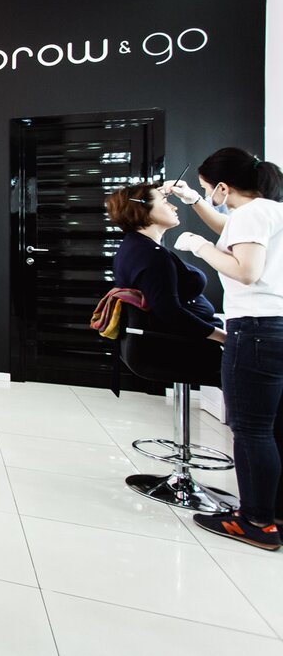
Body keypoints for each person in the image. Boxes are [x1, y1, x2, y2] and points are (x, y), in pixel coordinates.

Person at [165, 148, 283, 551]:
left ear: (223, 187)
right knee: (271, 426)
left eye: (205, 189)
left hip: (255, 328)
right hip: (276, 326)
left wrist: (200, 247)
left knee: (251, 429)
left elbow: (246, 271)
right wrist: (195, 202)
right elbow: (229, 229)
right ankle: (271, 512)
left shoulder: (251, 214)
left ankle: (255, 521)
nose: (205, 196)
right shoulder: (270, 211)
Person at [104, 183, 225, 343]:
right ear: (144, 210)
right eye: (165, 202)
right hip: (188, 346)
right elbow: (170, 313)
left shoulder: (134, 246)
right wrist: (223, 338)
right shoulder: (151, 254)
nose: (174, 207)